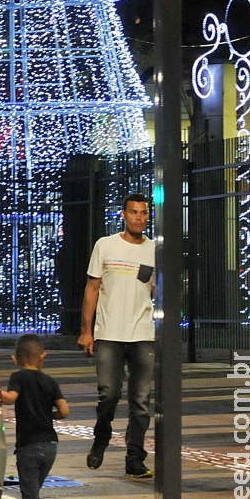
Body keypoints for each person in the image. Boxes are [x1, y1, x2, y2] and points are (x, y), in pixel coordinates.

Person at [81, 192, 155, 479]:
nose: (139, 217)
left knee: (141, 401)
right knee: (109, 393)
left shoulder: (154, 250)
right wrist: (86, 331)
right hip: (109, 332)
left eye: (144, 212)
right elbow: (92, 288)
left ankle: (134, 458)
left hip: (142, 333)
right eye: (134, 212)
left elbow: (159, 290)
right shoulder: (106, 245)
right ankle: (101, 438)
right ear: (123, 215)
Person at [1, 333, 69, 499]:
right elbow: (64, 411)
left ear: (15, 359)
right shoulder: (50, 381)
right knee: (33, 493)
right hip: (50, 445)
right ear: (43, 357)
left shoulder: (18, 377)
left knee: (30, 496)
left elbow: (10, 398)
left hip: (29, 445)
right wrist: (47, 415)